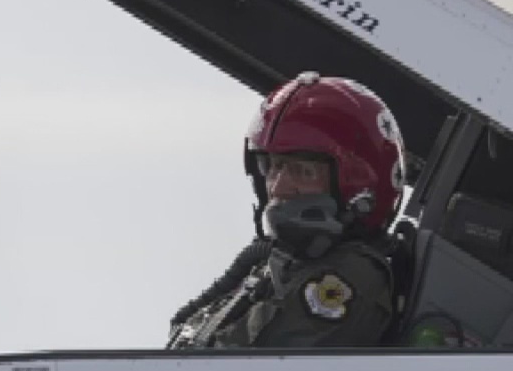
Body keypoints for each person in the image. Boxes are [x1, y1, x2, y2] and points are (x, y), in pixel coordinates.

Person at [166, 71, 407, 349]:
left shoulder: (350, 279)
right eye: (274, 167)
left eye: (302, 171)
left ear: (358, 188)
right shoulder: (278, 266)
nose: (279, 187)